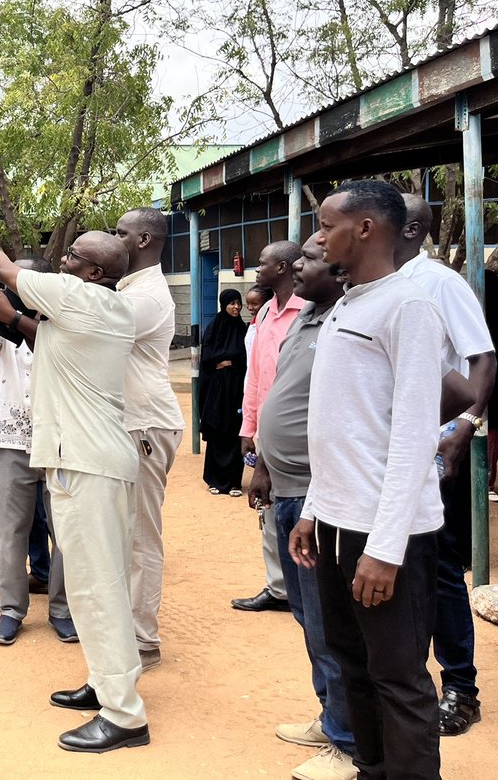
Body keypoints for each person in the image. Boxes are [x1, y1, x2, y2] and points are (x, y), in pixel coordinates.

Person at [0, 206, 148, 755]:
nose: (63, 261)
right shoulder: (93, 308)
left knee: (97, 586)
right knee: (93, 585)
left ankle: (125, 715)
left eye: (72, 257)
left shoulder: (86, 300)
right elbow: (29, 328)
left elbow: (8, 270)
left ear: (93, 274)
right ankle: (108, 682)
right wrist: (6, 312)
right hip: (82, 462)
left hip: (89, 466)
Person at [290, 180, 445, 779]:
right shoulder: (348, 304)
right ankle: (371, 770)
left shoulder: (409, 306)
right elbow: (343, 430)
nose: (319, 237)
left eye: (327, 225)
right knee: (352, 664)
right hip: (335, 523)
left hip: (388, 535)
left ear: (366, 229)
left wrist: (385, 549)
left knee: (399, 677)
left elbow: (412, 438)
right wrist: (314, 510)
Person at [248, 235, 357, 780]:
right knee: (306, 616)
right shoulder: (306, 322)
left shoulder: (353, 321)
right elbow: (278, 396)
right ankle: (330, 715)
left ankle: (347, 740)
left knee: (328, 621)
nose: (298, 269)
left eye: (310, 260)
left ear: (340, 271)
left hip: (319, 497)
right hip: (286, 489)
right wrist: (264, 462)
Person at [396, 194, 495, 737]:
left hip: (434, 446)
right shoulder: (380, 286)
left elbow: (482, 357)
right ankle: (410, 682)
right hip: (393, 450)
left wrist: (467, 427)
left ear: (408, 228)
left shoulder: (439, 283)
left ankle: (460, 687)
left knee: (440, 566)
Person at [0, 258, 76, 646]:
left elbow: (50, 349)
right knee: (11, 530)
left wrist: (14, 317)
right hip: (12, 440)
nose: (10, 280)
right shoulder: (2, 316)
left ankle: (62, 609)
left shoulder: (63, 318)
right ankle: (11, 610)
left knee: (64, 529)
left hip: (60, 441)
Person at [113, 207, 186, 673]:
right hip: (131, 425)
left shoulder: (148, 298)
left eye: (119, 233)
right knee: (123, 537)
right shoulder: (128, 288)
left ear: (142, 240)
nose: (112, 238)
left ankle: (143, 641)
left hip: (144, 427)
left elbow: (90, 333)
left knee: (141, 540)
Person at [235, 240, 305, 613]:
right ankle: (279, 587)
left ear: (283, 268)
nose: (255, 268)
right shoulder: (264, 315)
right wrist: (249, 426)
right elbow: (256, 377)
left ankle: (304, 590)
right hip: (267, 429)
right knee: (267, 509)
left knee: (299, 509)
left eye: (262, 263)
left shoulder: (307, 312)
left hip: (298, 432)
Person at [198, 289, 247, 495]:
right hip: (217, 391)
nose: (236, 307)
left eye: (238, 303)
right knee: (218, 430)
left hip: (236, 388)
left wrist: (227, 362)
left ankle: (234, 481)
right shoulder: (214, 327)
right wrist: (225, 360)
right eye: (232, 303)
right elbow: (208, 357)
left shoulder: (242, 329)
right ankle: (214, 480)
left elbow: (246, 358)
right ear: (223, 304)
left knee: (235, 431)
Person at [243, 284, 273, 367]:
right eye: (247, 304)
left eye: (254, 304)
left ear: (267, 303)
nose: (249, 307)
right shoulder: (253, 324)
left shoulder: (269, 325)